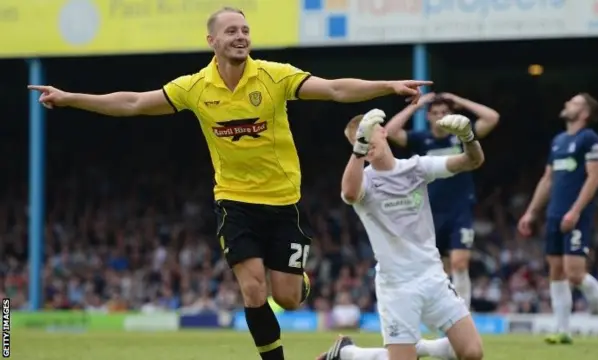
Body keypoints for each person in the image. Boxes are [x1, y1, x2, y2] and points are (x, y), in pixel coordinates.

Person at [27, 7, 431, 360]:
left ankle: (299, 281)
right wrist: (70, 97)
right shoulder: (195, 88)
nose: (241, 37)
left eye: (245, 31)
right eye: (232, 31)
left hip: (283, 201)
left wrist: (388, 87)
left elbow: (333, 88)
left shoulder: (274, 77)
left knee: (288, 299)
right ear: (212, 40)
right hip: (235, 203)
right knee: (253, 292)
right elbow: (133, 102)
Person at [318, 109, 485, 360]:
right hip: (397, 287)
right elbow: (350, 194)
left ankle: (409, 348)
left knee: (472, 353)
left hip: (433, 276)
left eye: (367, 134)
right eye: (357, 140)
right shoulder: (364, 181)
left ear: (383, 131)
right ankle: (348, 354)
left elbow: (471, 161)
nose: (364, 142)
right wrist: (359, 149)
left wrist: (469, 138)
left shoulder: (416, 167)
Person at [517, 93, 598, 346]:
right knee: (556, 271)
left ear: (585, 113)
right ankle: (563, 330)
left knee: (575, 273)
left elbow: (593, 178)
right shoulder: (559, 140)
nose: (566, 104)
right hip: (554, 213)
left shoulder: (589, 139)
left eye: (574, 103)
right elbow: (547, 179)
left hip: (577, 214)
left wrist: (575, 211)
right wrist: (531, 211)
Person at [384, 93, 499, 307]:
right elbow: (390, 132)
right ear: (428, 116)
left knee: (460, 263)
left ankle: (463, 314)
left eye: (444, 112)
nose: (439, 116)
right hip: (429, 211)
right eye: (435, 113)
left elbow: (492, 118)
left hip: (460, 209)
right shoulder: (420, 139)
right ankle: (441, 311)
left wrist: (460, 100)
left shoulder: (463, 136)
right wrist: (415, 106)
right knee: (437, 268)